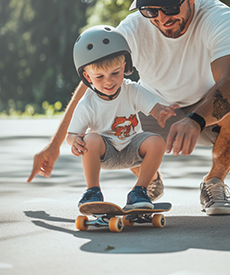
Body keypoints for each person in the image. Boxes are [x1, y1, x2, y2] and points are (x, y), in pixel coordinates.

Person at [28, 0, 230, 214]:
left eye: (170, 8)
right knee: (105, 108)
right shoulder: (133, 29)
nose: (161, 19)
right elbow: (91, 83)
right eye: (150, 11)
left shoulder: (218, 17)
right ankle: (148, 182)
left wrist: (195, 119)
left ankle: (214, 182)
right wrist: (55, 145)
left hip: (206, 111)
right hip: (152, 110)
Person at [62, 26, 168, 213]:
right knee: (91, 138)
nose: (108, 81)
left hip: (133, 147)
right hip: (106, 152)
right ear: (87, 77)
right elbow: (71, 135)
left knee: (157, 142)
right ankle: (93, 191)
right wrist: (75, 142)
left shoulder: (132, 90)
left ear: (125, 67)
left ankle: (139, 191)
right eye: (99, 76)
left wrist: (162, 113)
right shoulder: (88, 103)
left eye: (115, 73)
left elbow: (155, 107)